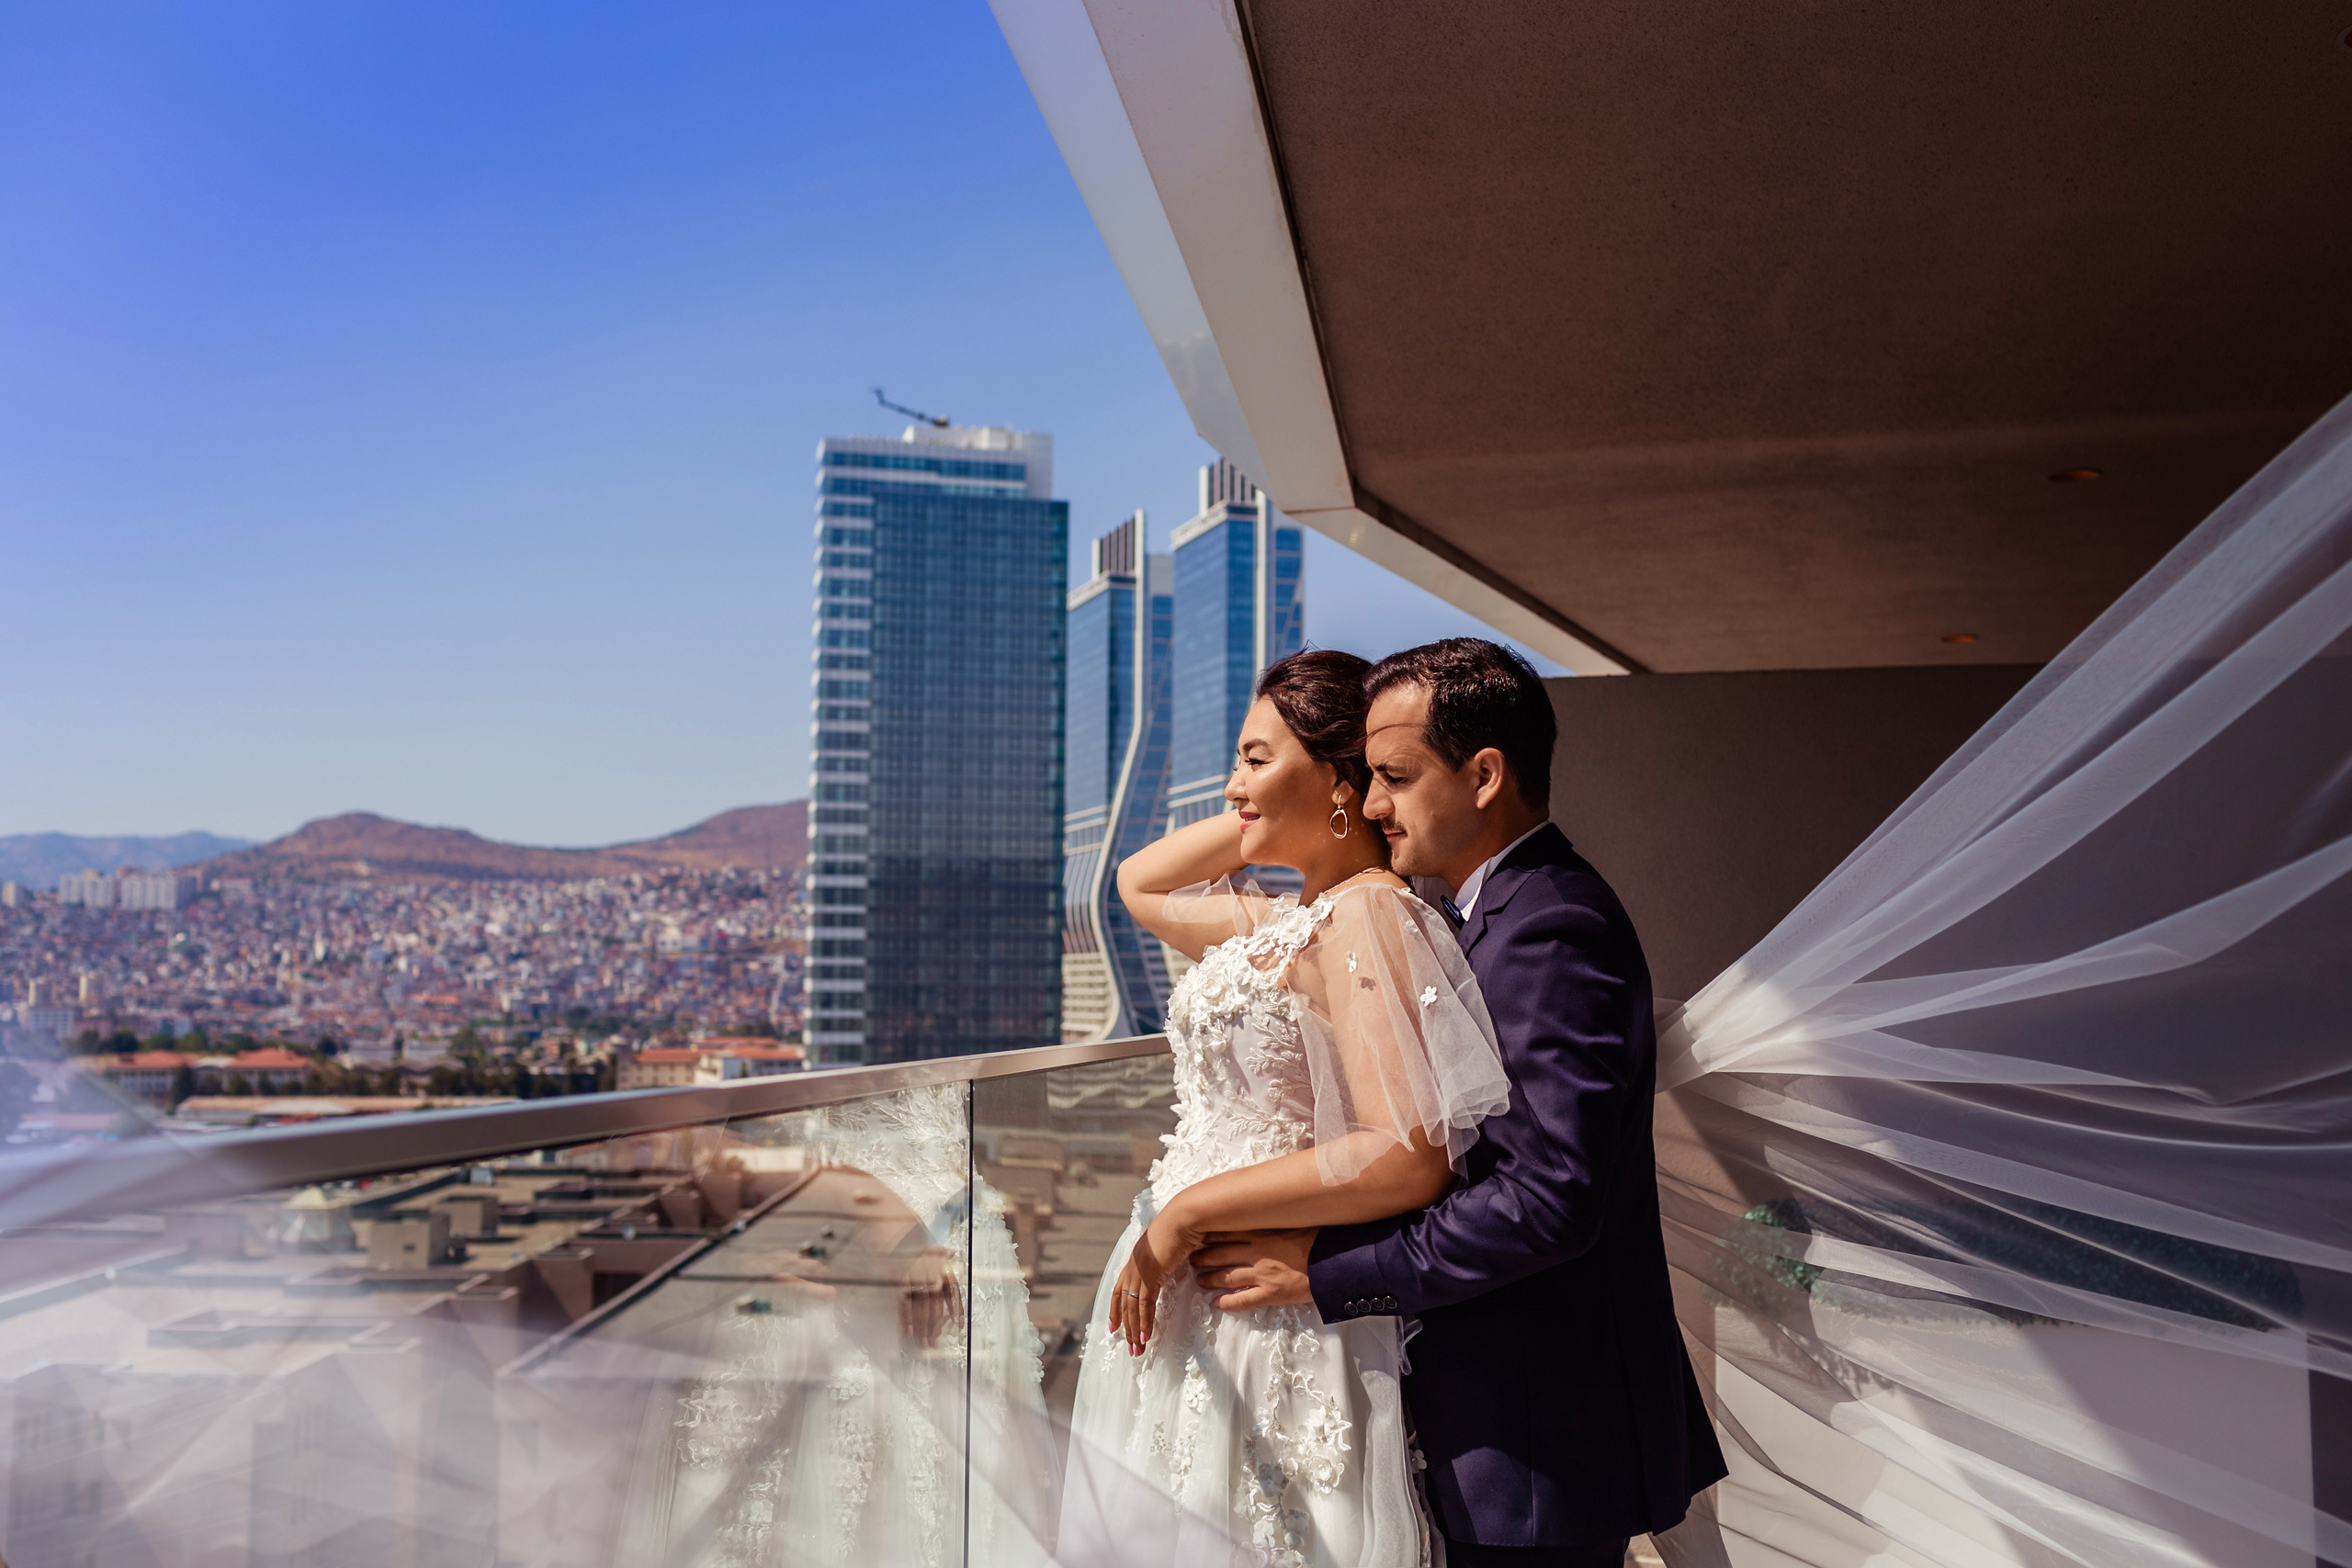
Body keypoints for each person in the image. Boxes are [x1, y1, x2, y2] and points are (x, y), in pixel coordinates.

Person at [1192, 638, 1728, 1566]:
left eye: (1393, 776)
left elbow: (1546, 1200)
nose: (1367, 804)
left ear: (1484, 775)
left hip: (1527, 1443)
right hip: (1505, 1431)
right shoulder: (1487, 912)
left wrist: (1326, 1275)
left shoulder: (1549, 927)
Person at [1057, 649, 1512, 1568]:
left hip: (1265, 1306)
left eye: (1256, 758)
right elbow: (1136, 884)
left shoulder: (1369, 920)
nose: (1231, 784)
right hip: (1193, 1307)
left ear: (1341, 773)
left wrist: (1184, 1215)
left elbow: (1405, 1155)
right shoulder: (1292, 921)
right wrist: (1268, 808)